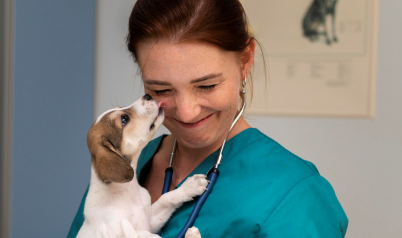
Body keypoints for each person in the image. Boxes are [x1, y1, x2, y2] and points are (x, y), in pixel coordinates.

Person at [68, 0, 348, 237]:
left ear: (245, 61)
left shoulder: (296, 196)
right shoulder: (121, 169)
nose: (187, 112)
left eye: (207, 86)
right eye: (161, 90)